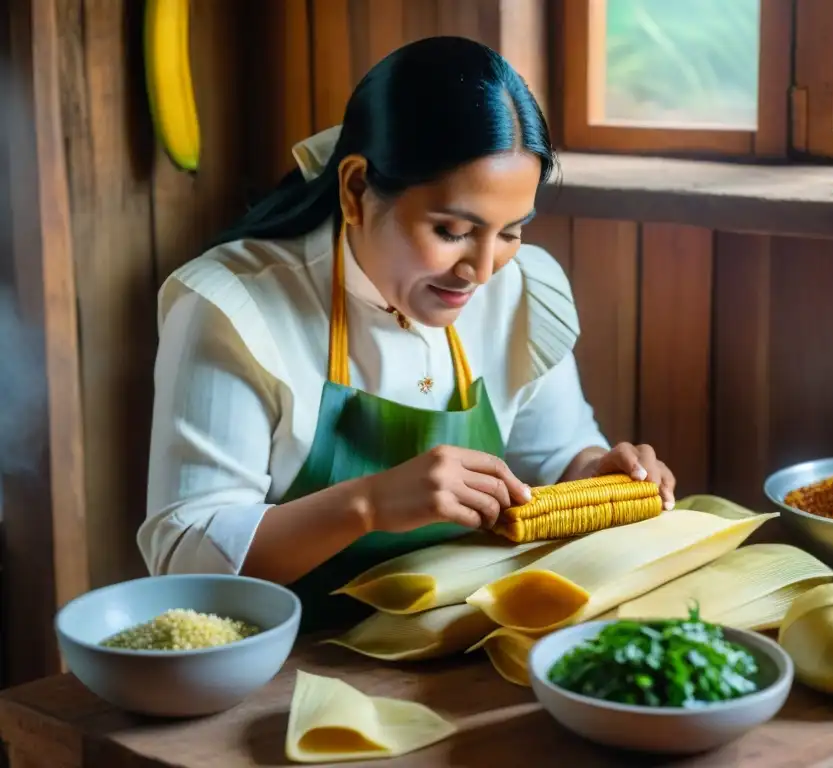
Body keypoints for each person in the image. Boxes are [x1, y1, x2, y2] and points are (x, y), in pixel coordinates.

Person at [138, 36, 676, 630]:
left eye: (510, 231)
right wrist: (368, 504)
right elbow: (183, 558)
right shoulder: (235, 308)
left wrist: (597, 473)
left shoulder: (518, 288)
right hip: (281, 664)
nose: (481, 269)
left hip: (453, 649)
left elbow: (553, 456)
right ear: (355, 191)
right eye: (451, 230)